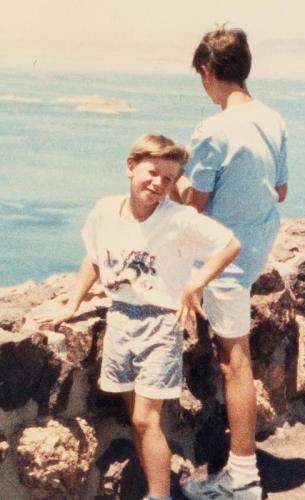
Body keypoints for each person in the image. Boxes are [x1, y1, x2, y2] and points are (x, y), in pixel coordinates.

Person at [36, 134, 241, 500]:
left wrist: (194, 284)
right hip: (119, 320)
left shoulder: (178, 218)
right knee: (137, 420)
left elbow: (229, 245)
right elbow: (96, 259)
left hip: (160, 324)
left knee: (147, 419)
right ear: (130, 167)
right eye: (153, 172)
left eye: (169, 178)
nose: (159, 183)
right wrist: (71, 304)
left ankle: (159, 496)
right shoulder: (105, 210)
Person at [174, 28, 288, 500]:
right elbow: (280, 191)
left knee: (234, 363)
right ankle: (241, 471)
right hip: (256, 247)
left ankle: (242, 478)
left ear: (207, 71)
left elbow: (194, 203)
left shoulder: (213, 129)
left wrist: (176, 181)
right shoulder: (273, 119)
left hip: (225, 265)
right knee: (235, 360)